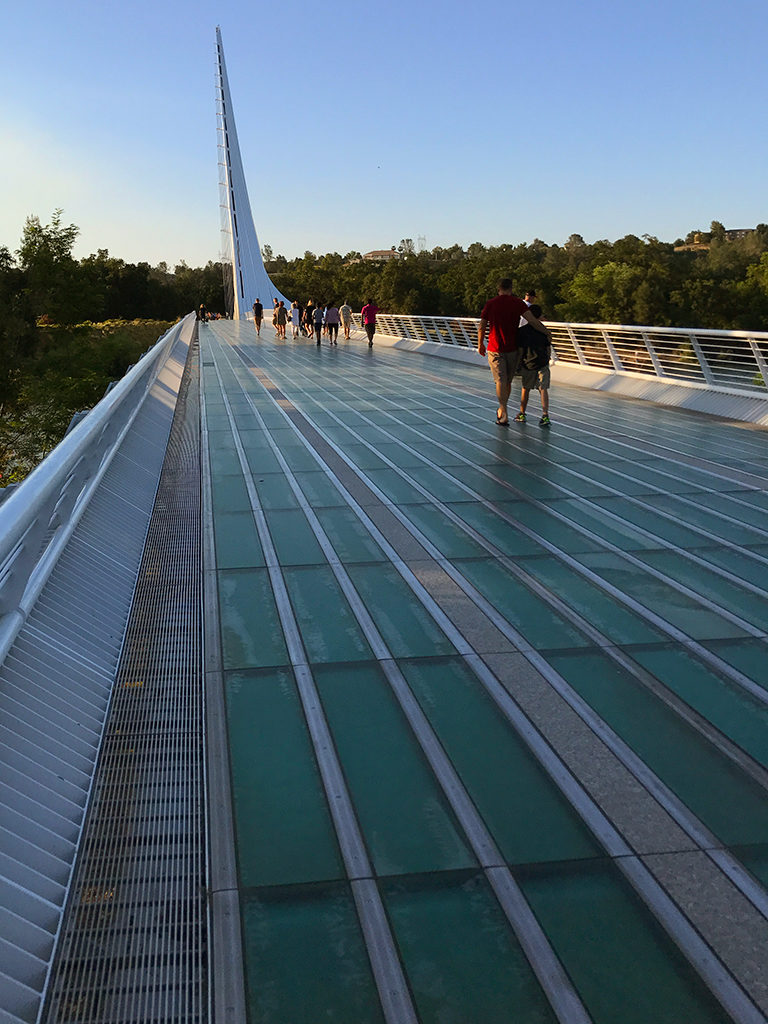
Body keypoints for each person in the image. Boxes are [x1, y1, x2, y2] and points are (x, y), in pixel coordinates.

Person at [477, 278, 551, 426]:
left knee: (500, 380)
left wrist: (480, 344)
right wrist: (547, 332)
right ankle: (503, 409)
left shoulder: (491, 304)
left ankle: (502, 411)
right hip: (513, 348)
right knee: (508, 381)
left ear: (499, 289)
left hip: (495, 348)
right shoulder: (517, 303)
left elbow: (482, 325)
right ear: (511, 289)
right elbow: (533, 321)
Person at [516, 303, 552, 425]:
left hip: (528, 364)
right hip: (542, 363)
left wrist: (518, 364)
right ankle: (545, 415)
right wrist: (547, 359)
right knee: (543, 389)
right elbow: (548, 348)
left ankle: (522, 413)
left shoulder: (522, 331)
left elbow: (521, 350)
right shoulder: (544, 331)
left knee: (525, 389)